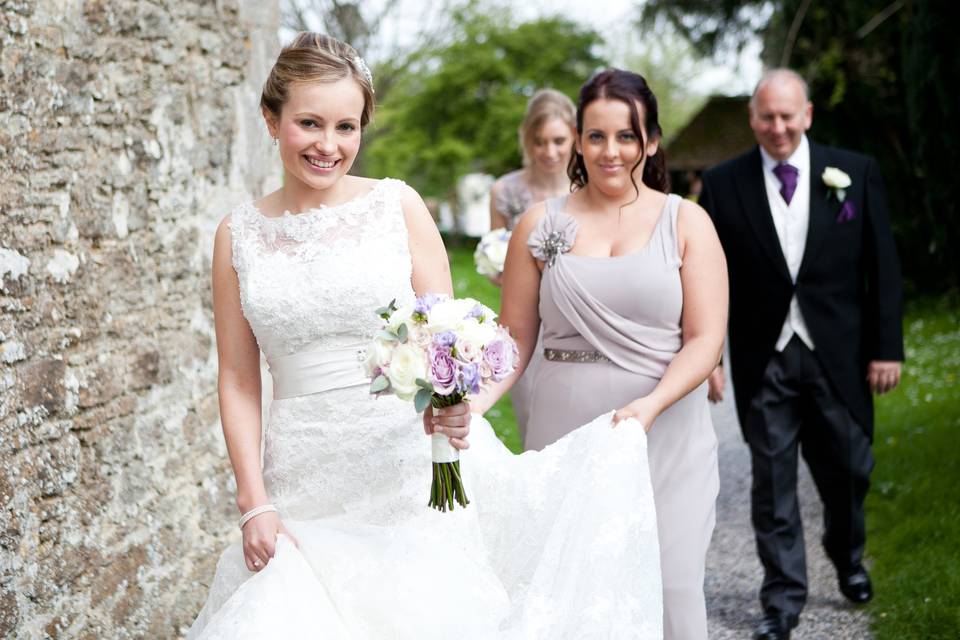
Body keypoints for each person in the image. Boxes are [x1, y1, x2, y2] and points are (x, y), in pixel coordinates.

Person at [188, 33, 664, 639]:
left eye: (347, 126)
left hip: (407, 472)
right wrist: (254, 501)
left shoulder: (397, 206)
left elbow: (448, 337)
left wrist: (456, 406)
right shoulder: (238, 235)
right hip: (302, 483)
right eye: (310, 123)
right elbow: (236, 378)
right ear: (271, 118)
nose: (330, 146)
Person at [478, 68, 728, 640]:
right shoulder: (539, 225)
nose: (610, 151)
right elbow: (513, 337)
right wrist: (471, 400)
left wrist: (652, 404)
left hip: (664, 430)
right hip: (566, 432)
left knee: (671, 585)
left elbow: (705, 338)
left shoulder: (687, 223)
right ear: (579, 138)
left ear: (652, 141)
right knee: (569, 589)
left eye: (626, 136)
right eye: (596, 136)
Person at [699, 68, 904, 640]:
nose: (778, 127)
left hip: (838, 354)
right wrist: (710, 354)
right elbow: (708, 280)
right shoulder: (722, 183)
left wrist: (887, 348)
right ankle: (782, 603)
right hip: (763, 357)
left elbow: (882, 268)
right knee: (772, 484)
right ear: (752, 118)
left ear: (807, 115)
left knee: (848, 472)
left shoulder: (854, 173)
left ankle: (847, 553)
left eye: (788, 116)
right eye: (767, 116)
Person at [488, 89, 576, 438]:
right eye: (540, 142)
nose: (550, 152)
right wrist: (503, 272)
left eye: (559, 140)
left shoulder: (590, 188)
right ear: (527, 140)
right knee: (535, 430)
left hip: (577, 324)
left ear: (575, 137)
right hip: (526, 326)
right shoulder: (505, 192)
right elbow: (494, 254)